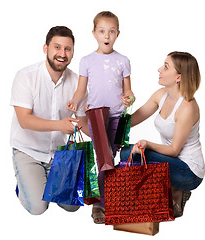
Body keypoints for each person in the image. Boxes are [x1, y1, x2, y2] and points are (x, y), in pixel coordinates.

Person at [10, 26, 88, 215]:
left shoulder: (78, 84)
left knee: (72, 206)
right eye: (57, 47)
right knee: (38, 208)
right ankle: (28, 183)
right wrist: (60, 125)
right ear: (46, 48)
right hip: (28, 152)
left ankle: (45, 183)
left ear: (72, 52)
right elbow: (24, 121)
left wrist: (106, 141)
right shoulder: (25, 76)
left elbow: (83, 122)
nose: (62, 54)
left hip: (59, 155)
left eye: (67, 49)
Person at [66, 11, 135, 224]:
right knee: (103, 158)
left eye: (111, 32)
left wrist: (128, 100)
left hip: (115, 116)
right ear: (94, 33)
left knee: (111, 156)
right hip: (96, 115)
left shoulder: (123, 60)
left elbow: (129, 93)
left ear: (118, 34)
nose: (107, 36)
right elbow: (80, 90)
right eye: (102, 31)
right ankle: (99, 204)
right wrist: (75, 102)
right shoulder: (86, 61)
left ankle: (106, 197)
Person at [120, 51, 205, 218]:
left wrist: (147, 144)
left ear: (178, 77)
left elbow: (174, 150)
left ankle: (177, 189)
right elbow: (133, 120)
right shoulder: (161, 95)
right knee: (125, 153)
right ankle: (172, 192)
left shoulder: (187, 107)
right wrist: (125, 107)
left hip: (189, 172)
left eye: (166, 67)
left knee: (131, 155)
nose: (160, 69)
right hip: (171, 162)